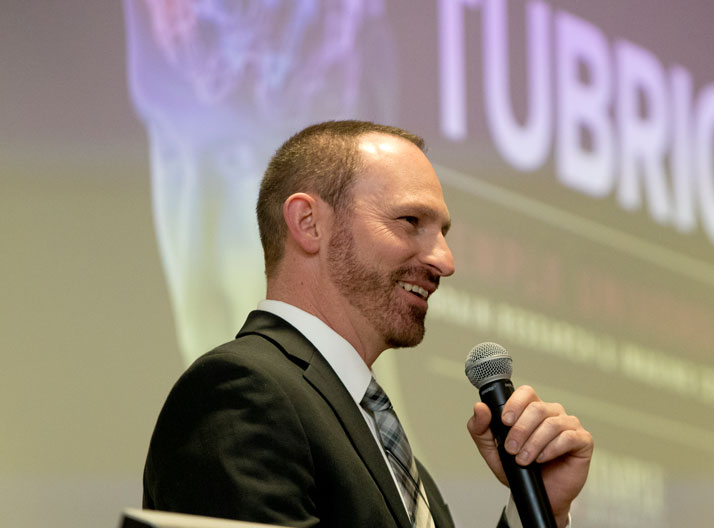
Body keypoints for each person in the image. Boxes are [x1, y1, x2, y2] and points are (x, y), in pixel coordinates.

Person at [143, 120, 593, 528]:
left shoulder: (394, 455)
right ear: (308, 222)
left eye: (443, 234)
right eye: (411, 221)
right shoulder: (240, 392)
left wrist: (536, 511)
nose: (445, 260)